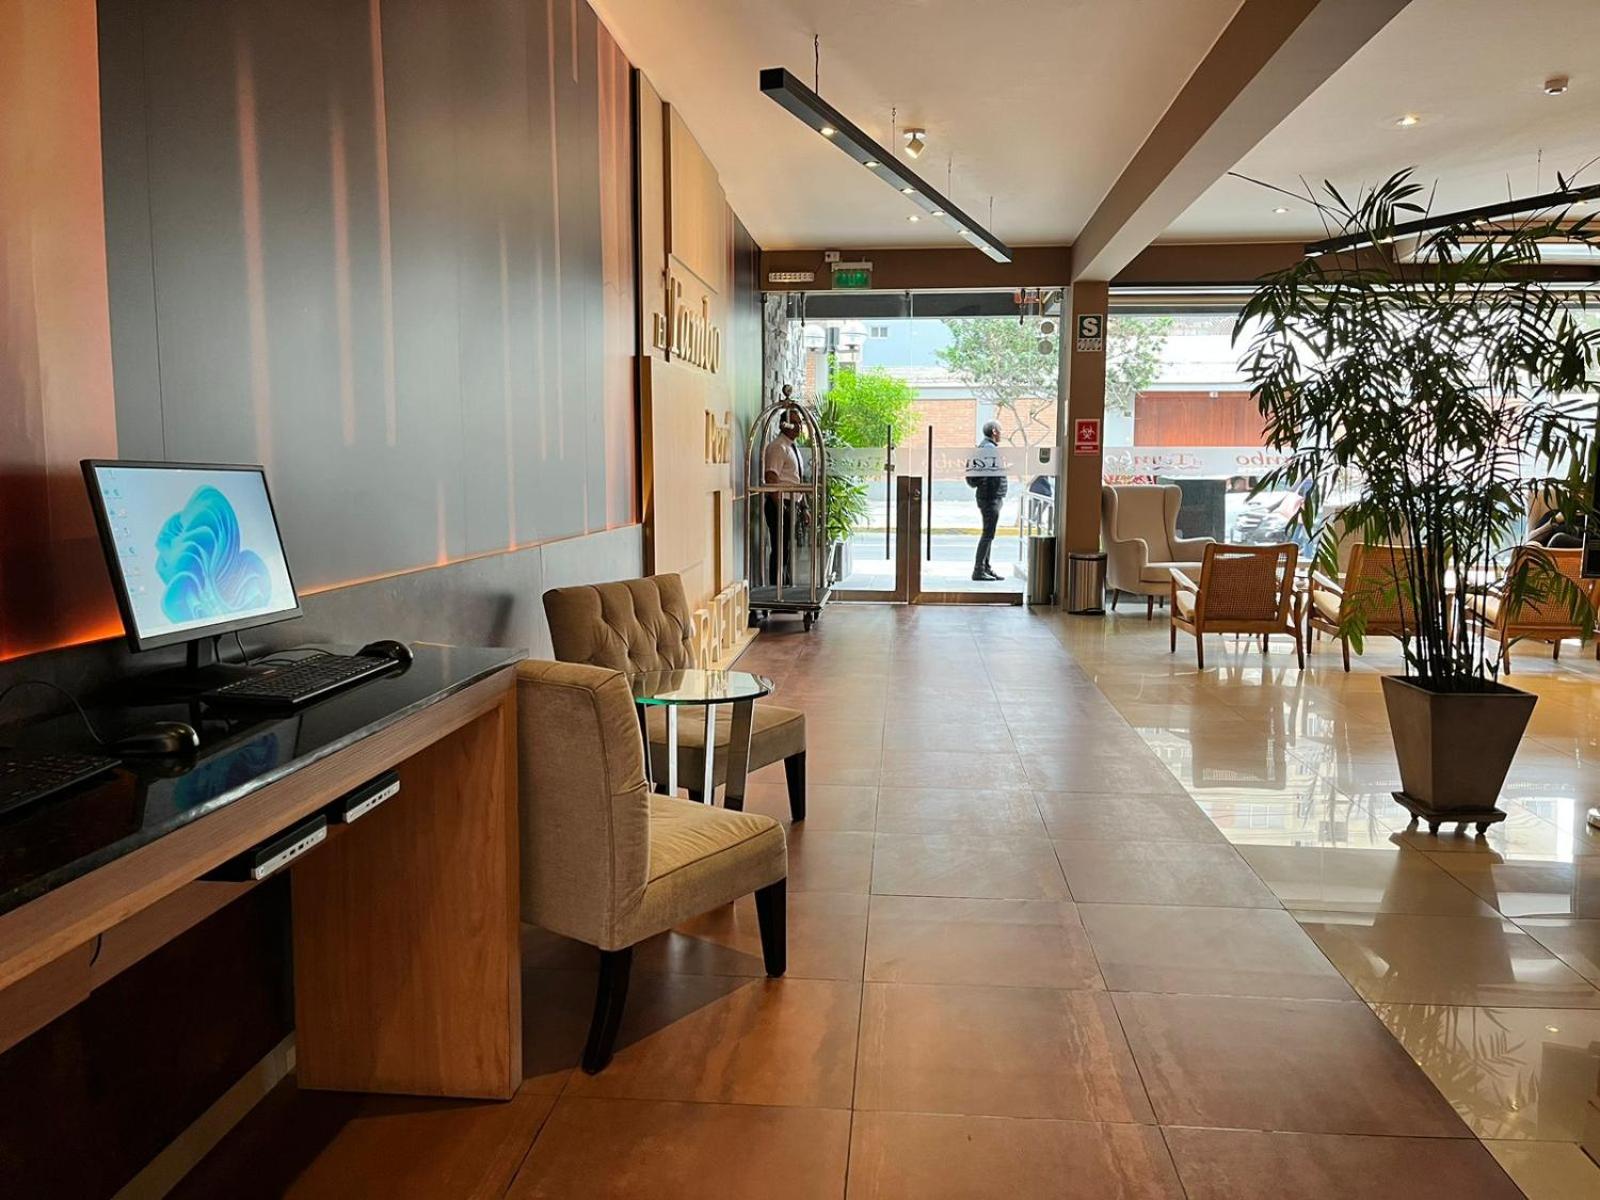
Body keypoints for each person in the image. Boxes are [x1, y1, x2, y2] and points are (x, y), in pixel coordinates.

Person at [762, 406, 805, 587]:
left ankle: (785, 587)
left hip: (792, 503)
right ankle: (776, 590)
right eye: (793, 423)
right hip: (780, 503)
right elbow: (771, 478)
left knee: (786, 549)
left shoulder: (792, 447)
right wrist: (782, 508)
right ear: (783, 425)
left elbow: (797, 479)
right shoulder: (778, 447)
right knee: (780, 549)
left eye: (800, 423)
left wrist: (803, 507)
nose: (798, 427)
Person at [967, 420, 1008, 581]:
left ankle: (986, 567)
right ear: (994, 431)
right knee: (988, 534)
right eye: (1000, 430)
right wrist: (992, 488)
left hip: (989, 496)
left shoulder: (985, 447)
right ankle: (978, 570)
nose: (1002, 433)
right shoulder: (989, 449)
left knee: (989, 533)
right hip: (990, 497)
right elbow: (991, 473)